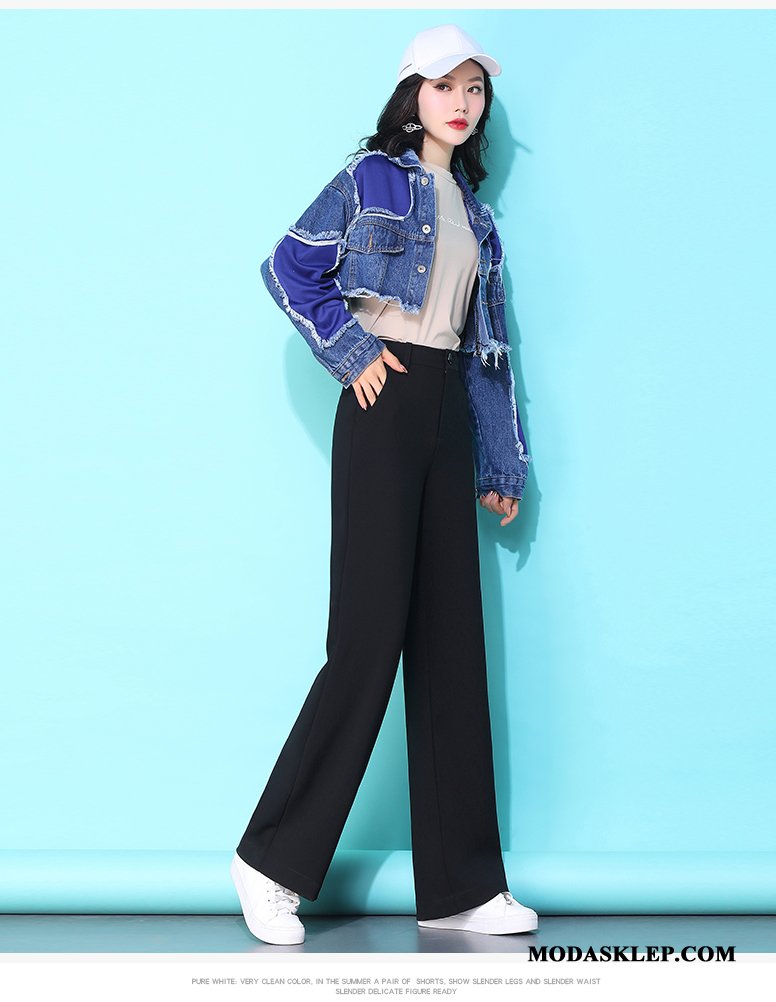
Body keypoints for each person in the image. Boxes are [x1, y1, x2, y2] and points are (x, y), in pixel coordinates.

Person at [231, 23, 537, 946]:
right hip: (384, 401)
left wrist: (500, 459)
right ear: (413, 94)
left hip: (448, 415)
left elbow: (485, 353)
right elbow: (289, 266)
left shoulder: (478, 217)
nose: (462, 101)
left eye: (475, 89)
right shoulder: (372, 178)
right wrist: (352, 350)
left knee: (452, 648)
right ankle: (268, 862)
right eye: (446, 85)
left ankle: (464, 887)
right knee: (367, 641)